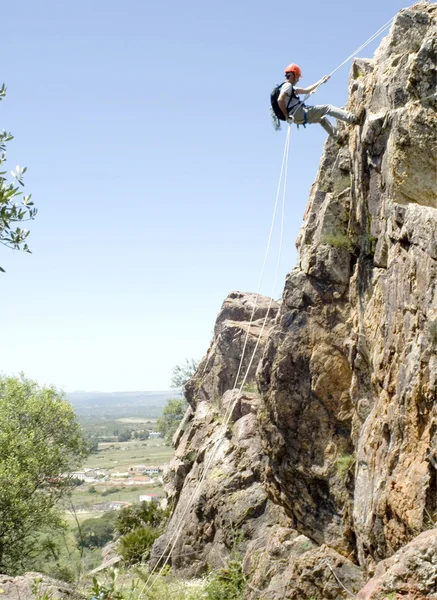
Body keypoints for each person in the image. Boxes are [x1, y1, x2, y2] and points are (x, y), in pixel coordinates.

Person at [278, 63, 359, 138]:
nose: (298, 80)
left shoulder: (290, 88)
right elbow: (280, 99)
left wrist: (321, 81)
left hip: (296, 119)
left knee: (321, 119)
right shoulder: (287, 86)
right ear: (293, 75)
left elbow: (307, 90)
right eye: (298, 77)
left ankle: (338, 138)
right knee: (328, 108)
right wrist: (287, 116)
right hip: (298, 113)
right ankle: (353, 118)